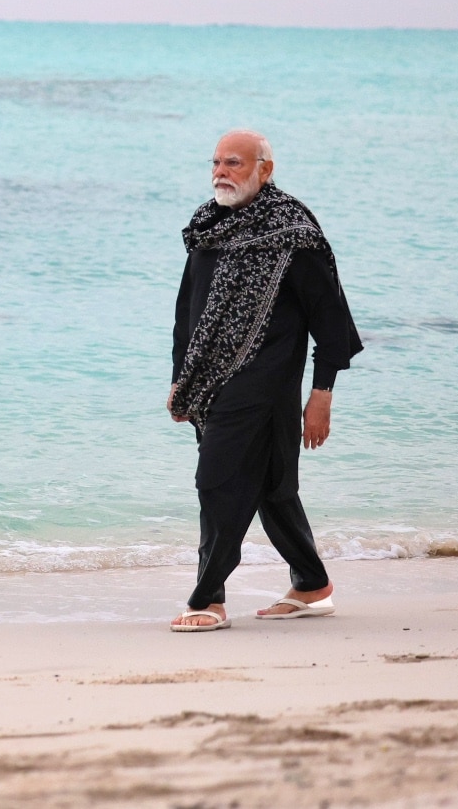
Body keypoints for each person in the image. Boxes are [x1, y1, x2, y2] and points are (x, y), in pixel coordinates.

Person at [167, 130, 362, 631]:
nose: (220, 173)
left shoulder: (293, 231)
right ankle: (312, 586)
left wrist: (321, 395)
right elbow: (187, 310)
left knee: (216, 482)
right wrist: (178, 377)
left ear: (264, 169)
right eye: (215, 163)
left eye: (233, 163)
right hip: (210, 384)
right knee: (274, 488)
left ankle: (208, 598)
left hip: (267, 384)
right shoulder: (208, 227)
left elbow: (331, 320)